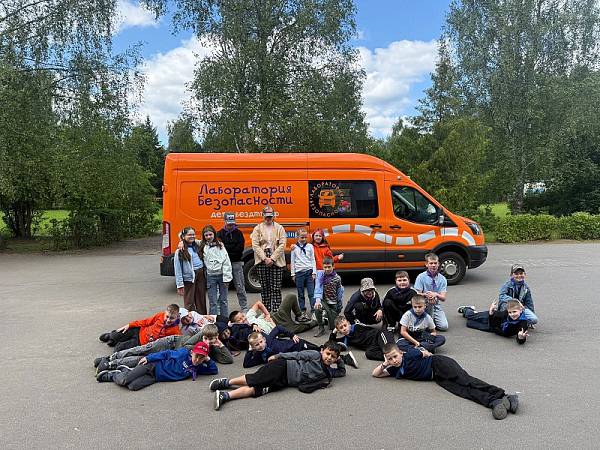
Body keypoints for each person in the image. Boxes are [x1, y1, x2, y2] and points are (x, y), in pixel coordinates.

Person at [372, 343, 519, 420]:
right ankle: (494, 402)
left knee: (466, 380)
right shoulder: (394, 369)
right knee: (462, 391)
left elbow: (425, 353)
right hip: (437, 377)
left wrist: (426, 354)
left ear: (400, 353)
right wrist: (385, 364)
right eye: (390, 359)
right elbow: (376, 374)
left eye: (395, 356)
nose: (394, 360)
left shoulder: (409, 354)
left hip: (439, 363)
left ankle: (504, 395)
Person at [210, 341, 346, 411]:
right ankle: (226, 382)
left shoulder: (327, 373)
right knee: (256, 379)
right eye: (328, 353)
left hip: (284, 382)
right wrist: (278, 356)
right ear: (322, 351)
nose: (329, 358)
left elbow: (341, 372)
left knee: (257, 390)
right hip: (283, 367)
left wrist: (340, 360)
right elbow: (297, 354)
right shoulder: (315, 355)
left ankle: (225, 396)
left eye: (333, 357)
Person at [95, 323, 233, 374]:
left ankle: (112, 363)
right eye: (206, 338)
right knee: (142, 349)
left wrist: (220, 345)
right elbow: (186, 346)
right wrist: (202, 344)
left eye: (212, 338)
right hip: (171, 342)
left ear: (217, 337)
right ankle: (111, 357)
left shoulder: (215, 345)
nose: (208, 341)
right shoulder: (202, 337)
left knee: (142, 359)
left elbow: (228, 360)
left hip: (172, 355)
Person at [97, 342, 218, 390]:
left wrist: (208, 359)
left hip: (155, 377)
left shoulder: (198, 367)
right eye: (196, 356)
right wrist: (149, 358)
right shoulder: (183, 354)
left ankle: (125, 371)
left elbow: (213, 370)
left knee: (132, 386)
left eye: (201, 358)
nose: (198, 359)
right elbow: (165, 353)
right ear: (192, 352)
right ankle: (112, 375)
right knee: (124, 381)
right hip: (152, 366)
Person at [98, 304, 181, 352]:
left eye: (172, 318)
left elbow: (172, 345)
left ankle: (117, 342)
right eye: (167, 316)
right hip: (139, 330)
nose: (168, 320)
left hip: (141, 342)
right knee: (117, 334)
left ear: (177, 317)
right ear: (165, 313)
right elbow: (146, 321)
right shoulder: (160, 315)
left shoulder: (176, 331)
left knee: (119, 348)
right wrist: (129, 325)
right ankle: (111, 336)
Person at [250, 206, 286, 312]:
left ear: (273, 215)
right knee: (265, 288)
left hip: (276, 259)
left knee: (276, 288)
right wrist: (264, 258)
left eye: (270, 216)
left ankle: (276, 311)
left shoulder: (280, 228)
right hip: (262, 260)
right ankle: (266, 312)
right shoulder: (257, 228)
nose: (268, 218)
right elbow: (255, 245)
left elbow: (283, 244)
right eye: (266, 216)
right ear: (263, 216)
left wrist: (273, 258)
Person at [457, 300, 529, 344]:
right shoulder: (505, 314)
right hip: (490, 317)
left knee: (469, 323)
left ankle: (474, 313)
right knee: (470, 316)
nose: (512, 314)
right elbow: (496, 316)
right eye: (510, 312)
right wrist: (491, 313)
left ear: (521, 310)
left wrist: (521, 338)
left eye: (514, 312)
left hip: (493, 328)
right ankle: (467, 309)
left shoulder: (523, 323)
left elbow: (521, 339)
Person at [243, 328, 321, 368]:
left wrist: (291, 335)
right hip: (294, 358)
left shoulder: (269, 339)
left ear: (264, 339)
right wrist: (249, 350)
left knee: (319, 350)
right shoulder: (259, 355)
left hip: (296, 345)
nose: (260, 345)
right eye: (257, 345)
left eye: (261, 342)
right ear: (253, 347)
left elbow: (278, 328)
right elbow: (246, 364)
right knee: (315, 359)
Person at [217, 213, 248, 313]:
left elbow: (240, 249)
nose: (230, 226)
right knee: (223, 288)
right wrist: (230, 249)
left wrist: (227, 248)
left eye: (232, 224)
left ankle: (244, 307)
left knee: (240, 286)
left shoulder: (239, 233)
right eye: (229, 224)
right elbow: (219, 250)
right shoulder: (219, 234)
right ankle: (222, 310)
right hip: (223, 264)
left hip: (236, 263)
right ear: (225, 222)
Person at [200, 224, 232, 317]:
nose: (208, 237)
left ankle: (224, 318)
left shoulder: (220, 246)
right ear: (204, 236)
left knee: (223, 300)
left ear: (214, 234)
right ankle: (213, 320)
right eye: (206, 235)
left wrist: (227, 278)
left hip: (222, 275)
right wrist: (181, 242)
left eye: (210, 234)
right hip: (211, 276)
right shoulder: (203, 245)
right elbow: (190, 240)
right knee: (213, 301)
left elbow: (226, 262)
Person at [174, 226, 207, 314]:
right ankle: (190, 318)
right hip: (189, 277)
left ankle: (202, 317)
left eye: (193, 234)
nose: (192, 236)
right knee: (189, 300)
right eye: (189, 235)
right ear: (184, 236)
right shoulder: (180, 251)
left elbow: (207, 241)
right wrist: (179, 284)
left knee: (201, 298)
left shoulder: (197, 245)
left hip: (200, 273)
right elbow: (177, 269)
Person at [414, 253, 448, 331]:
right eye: (431, 263)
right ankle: (427, 320)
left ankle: (432, 320)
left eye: (435, 263)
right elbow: (416, 295)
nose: (433, 265)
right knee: (426, 328)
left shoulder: (442, 279)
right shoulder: (421, 277)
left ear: (438, 264)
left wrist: (435, 294)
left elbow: (443, 298)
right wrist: (426, 295)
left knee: (444, 327)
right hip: (423, 305)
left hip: (436, 305)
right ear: (426, 264)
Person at [290, 227, 317, 322]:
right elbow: (292, 261)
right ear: (297, 237)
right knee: (300, 294)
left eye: (305, 237)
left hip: (309, 272)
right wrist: (293, 274)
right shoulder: (294, 248)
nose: (304, 239)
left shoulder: (310, 246)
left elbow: (313, 259)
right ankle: (302, 310)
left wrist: (314, 272)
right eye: (302, 237)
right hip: (299, 273)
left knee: (311, 293)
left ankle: (314, 311)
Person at [313, 257, 344, 337]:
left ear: (333, 266)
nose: (327, 269)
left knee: (332, 327)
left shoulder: (337, 278)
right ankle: (321, 327)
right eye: (325, 267)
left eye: (329, 267)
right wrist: (318, 301)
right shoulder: (320, 275)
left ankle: (327, 318)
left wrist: (339, 305)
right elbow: (318, 287)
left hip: (333, 302)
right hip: (323, 301)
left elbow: (339, 292)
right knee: (317, 307)